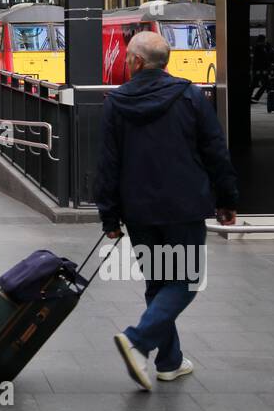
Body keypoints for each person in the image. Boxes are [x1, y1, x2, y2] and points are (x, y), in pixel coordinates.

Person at [94, 31, 238, 391]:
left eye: (128, 57)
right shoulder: (190, 96)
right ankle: (138, 340)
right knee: (185, 281)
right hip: (184, 206)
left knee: (159, 282)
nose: (125, 62)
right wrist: (227, 198)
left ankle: (170, 361)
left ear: (138, 63)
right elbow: (215, 151)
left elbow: (107, 164)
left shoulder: (116, 103)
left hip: (139, 210)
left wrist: (109, 216)